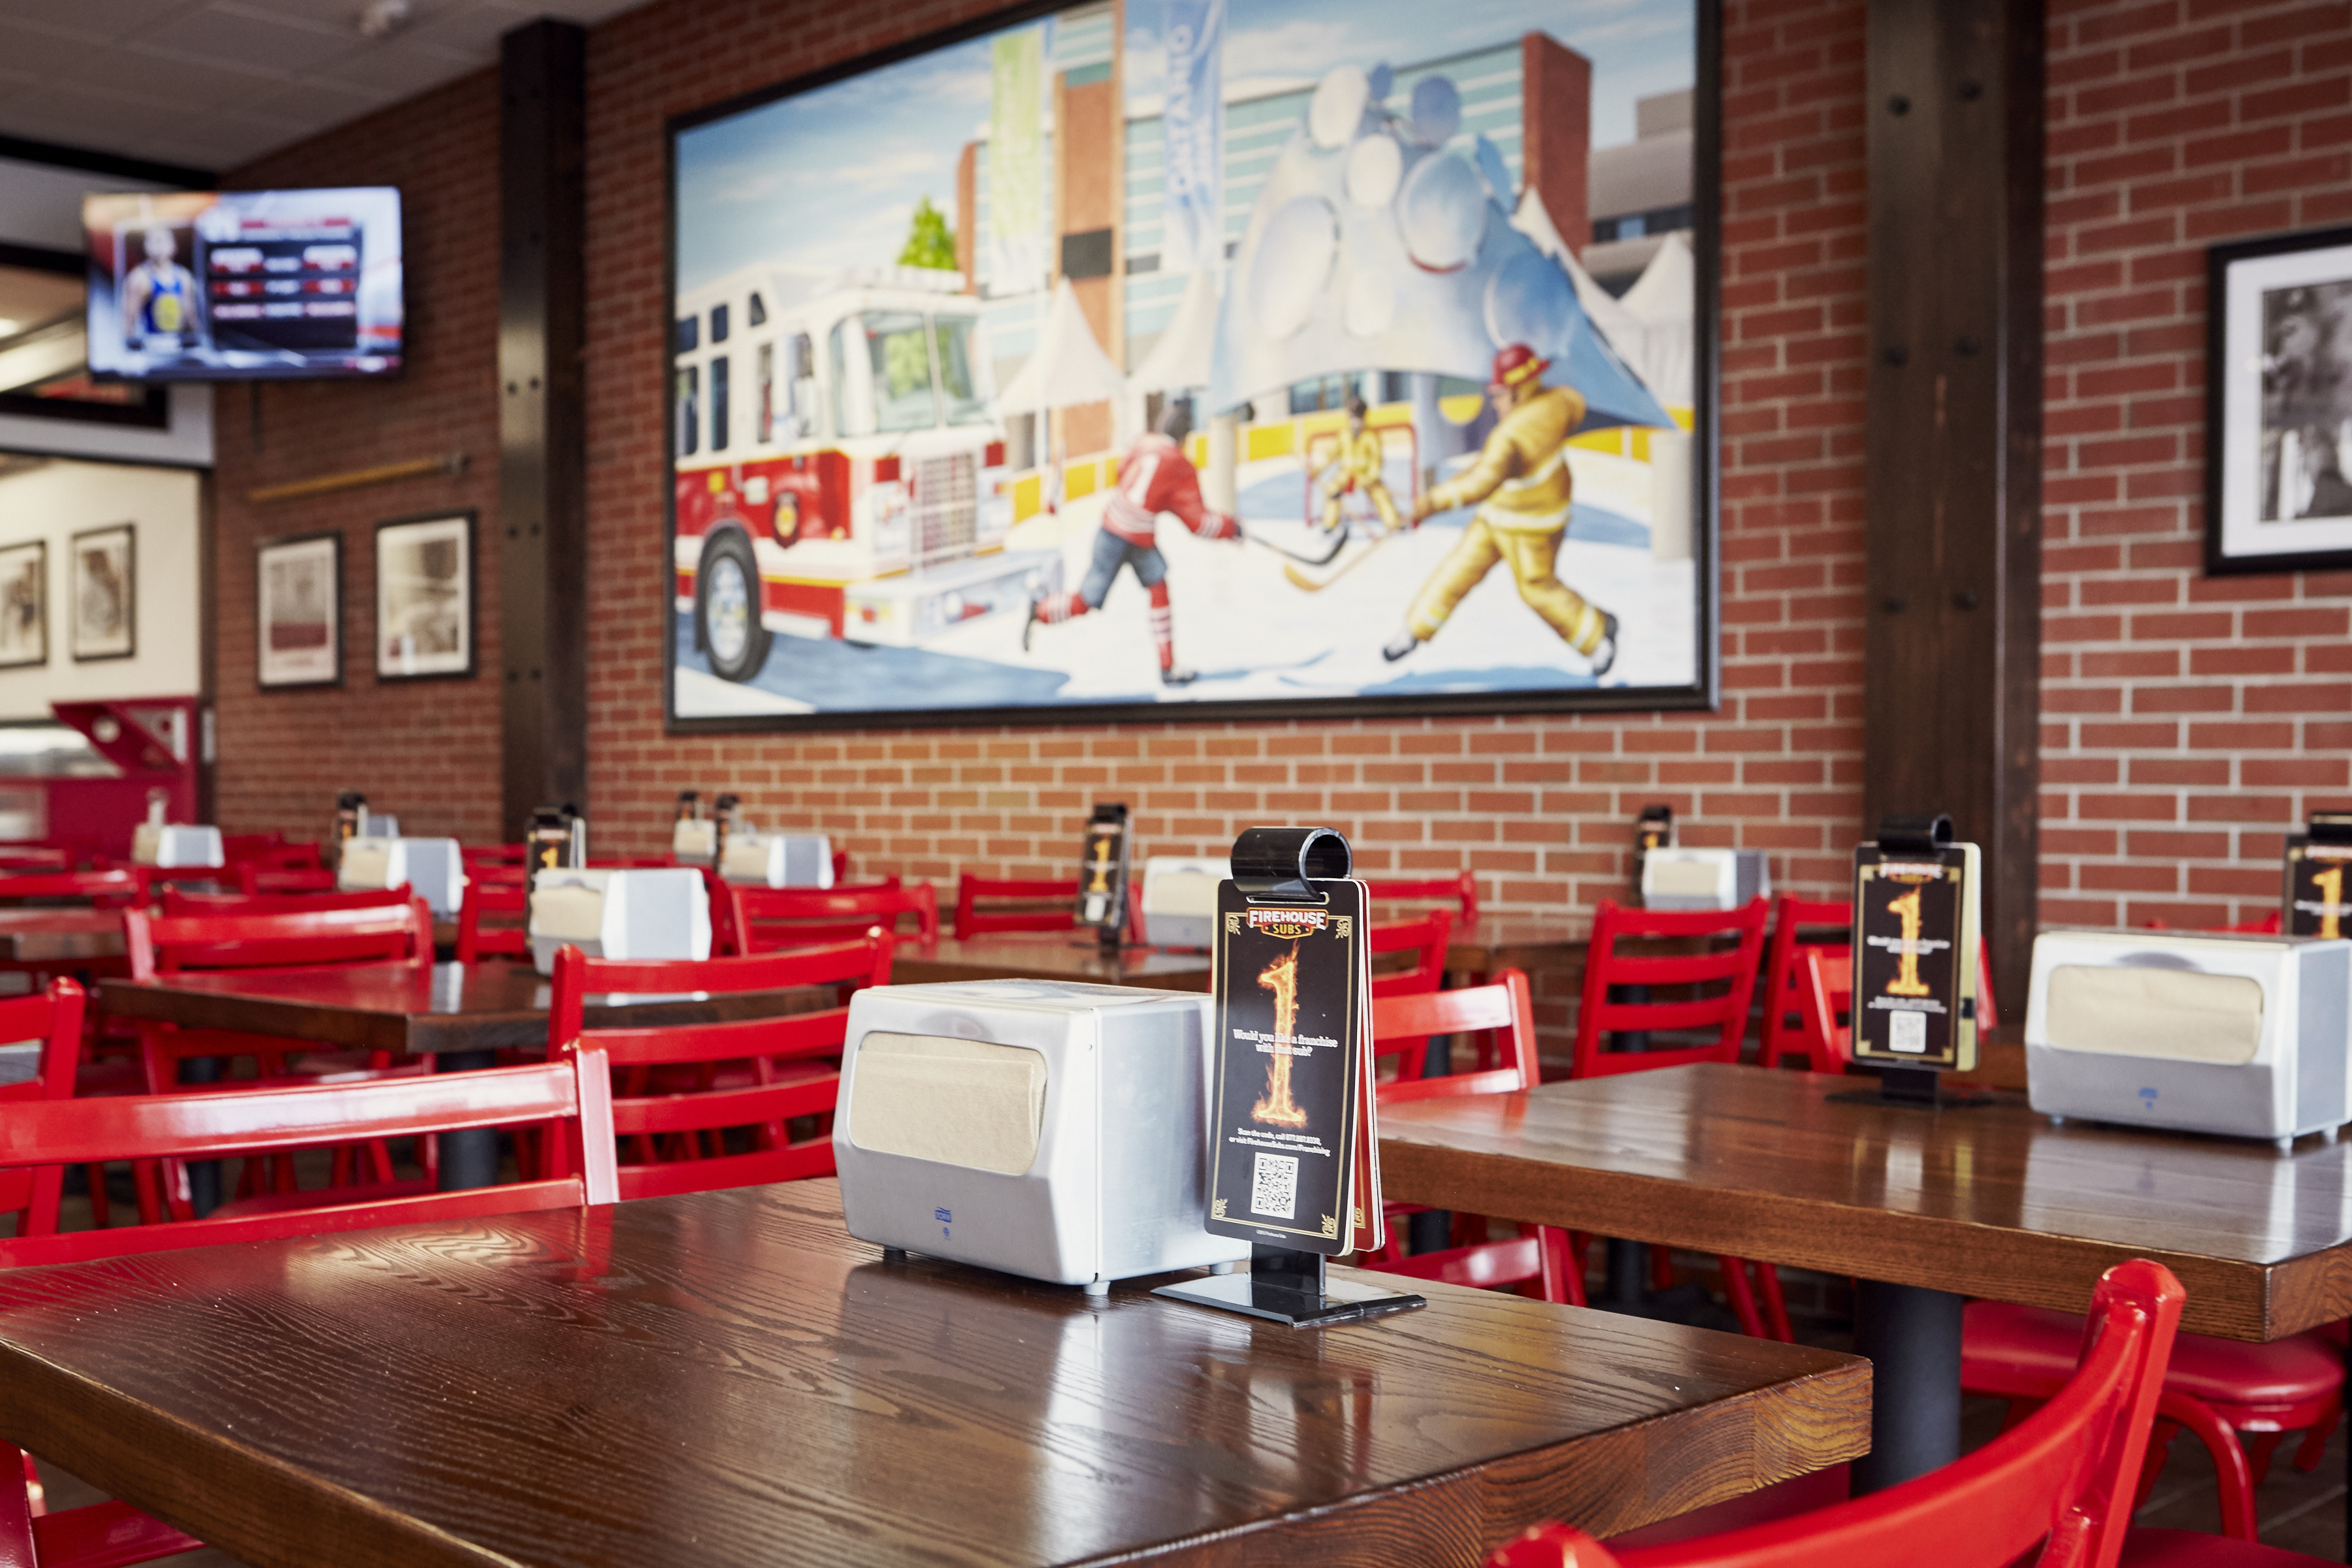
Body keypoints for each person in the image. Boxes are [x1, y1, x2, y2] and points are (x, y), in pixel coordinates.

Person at [1380, 344, 1618, 677]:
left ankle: (1598, 634)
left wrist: (1431, 503)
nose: (1495, 402)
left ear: (1520, 391)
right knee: (1458, 569)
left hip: (1531, 526)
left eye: (1500, 394)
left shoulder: (1511, 436)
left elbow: (1479, 481)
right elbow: (1575, 408)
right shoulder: (1561, 401)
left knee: (1537, 588)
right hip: (1503, 514)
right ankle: (1415, 631)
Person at [1024, 400, 1243, 686]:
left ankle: (1042, 611)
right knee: (1147, 591)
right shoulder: (1181, 466)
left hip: (1112, 529)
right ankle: (1167, 667)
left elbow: (1121, 474)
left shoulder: (1142, 443)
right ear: (1185, 437)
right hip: (1134, 537)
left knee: (1119, 592)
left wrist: (1157, 503)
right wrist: (1232, 527)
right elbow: (1199, 524)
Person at [1309, 395, 1399, 535]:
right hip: (1346, 475)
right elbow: (1332, 455)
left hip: (1366, 476)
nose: (1356, 423)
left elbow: (1377, 461)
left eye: (1359, 419)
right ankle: (1329, 524)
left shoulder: (1371, 436)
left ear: (1364, 417)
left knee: (1381, 494)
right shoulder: (1343, 434)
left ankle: (1393, 522)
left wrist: (1369, 478)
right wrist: (1318, 469)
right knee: (1332, 490)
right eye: (1353, 418)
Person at [122, 227, 198, 353]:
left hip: (179, 349)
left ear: (173, 246)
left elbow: (190, 316)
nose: (159, 247)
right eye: (154, 241)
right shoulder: (139, 278)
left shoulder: (184, 277)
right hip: (150, 349)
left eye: (163, 241)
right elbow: (130, 320)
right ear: (146, 247)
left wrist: (196, 344)